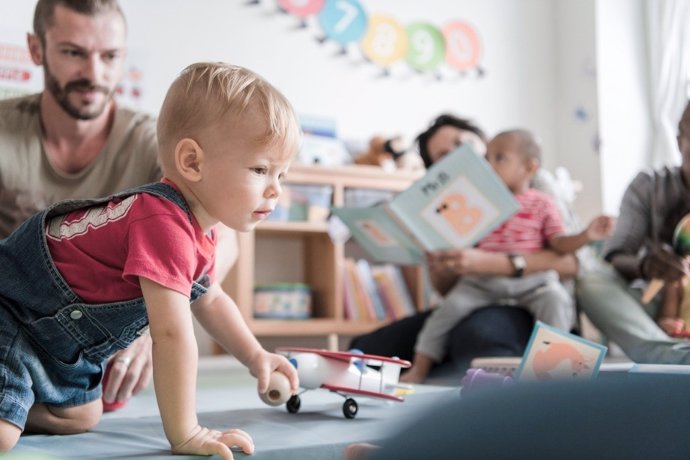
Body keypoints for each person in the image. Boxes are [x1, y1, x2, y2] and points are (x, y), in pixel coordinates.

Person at [0, 61, 301, 457]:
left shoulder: (200, 232)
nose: (275, 190)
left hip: (56, 346)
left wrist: (255, 356)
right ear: (192, 162)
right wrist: (186, 432)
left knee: (82, 417)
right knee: (4, 434)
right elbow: (172, 335)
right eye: (261, 169)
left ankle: (18, 403)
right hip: (13, 311)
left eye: (281, 174)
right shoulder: (161, 222)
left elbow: (210, 298)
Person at [0, 0, 235, 410]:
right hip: (8, 323)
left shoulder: (155, 142)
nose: (94, 74)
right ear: (37, 50)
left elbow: (220, 234)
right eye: (73, 53)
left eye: (109, 56)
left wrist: (154, 324)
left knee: (87, 412)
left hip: (94, 348)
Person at [350, 115, 580, 379]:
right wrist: (439, 262)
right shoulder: (447, 201)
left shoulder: (534, 184)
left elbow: (572, 262)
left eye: (462, 143)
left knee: (477, 336)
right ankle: (429, 370)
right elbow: (448, 290)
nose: (458, 155)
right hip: (478, 291)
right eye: (443, 155)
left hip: (532, 293)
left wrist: (493, 264)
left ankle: (534, 383)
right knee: (366, 348)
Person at [401, 130, 614, 383]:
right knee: (444, 313)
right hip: (481, 283)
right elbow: (463, 239)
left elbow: (559, 244)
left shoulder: (543, 203)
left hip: (533, 282)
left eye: (499, 158)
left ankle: (556, 375)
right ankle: (420, 368)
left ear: (529, 167)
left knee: (555, 300)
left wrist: (586, 236)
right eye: (488, 158)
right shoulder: (480, 203)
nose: (489, 166)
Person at [576, 100, 690, 364]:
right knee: (592, 280)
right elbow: (616, 256)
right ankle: (668, 356)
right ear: (679, 140)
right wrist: (647, 266)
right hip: (654, 308)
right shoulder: (648, 186)